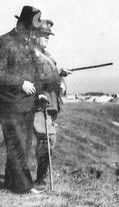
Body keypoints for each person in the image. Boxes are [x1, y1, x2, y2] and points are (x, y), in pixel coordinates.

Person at [0, 6, 44, 194]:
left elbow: (34, 72)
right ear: (19, 25)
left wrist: (40, 92)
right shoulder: (1, 42)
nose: (31, 35)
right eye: (29, 30)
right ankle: (24, 188)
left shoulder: (27, 44)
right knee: (16, 144)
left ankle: (11, 182)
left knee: (22, 145)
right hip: (9, 103)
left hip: (27, 104)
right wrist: (20, 83)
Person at [32, 19, 72, 187]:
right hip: (39, 105)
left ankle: (41, 178)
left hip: (52, 105)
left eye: (49, 36)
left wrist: (61, 75)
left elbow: (52, 78)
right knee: (47, 139)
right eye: (43, 35)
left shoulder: (48, 56)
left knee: (48, 141)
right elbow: (33, 78)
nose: (47, 38)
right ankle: (40, 181)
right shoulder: (31, 55)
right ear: (34, 35)